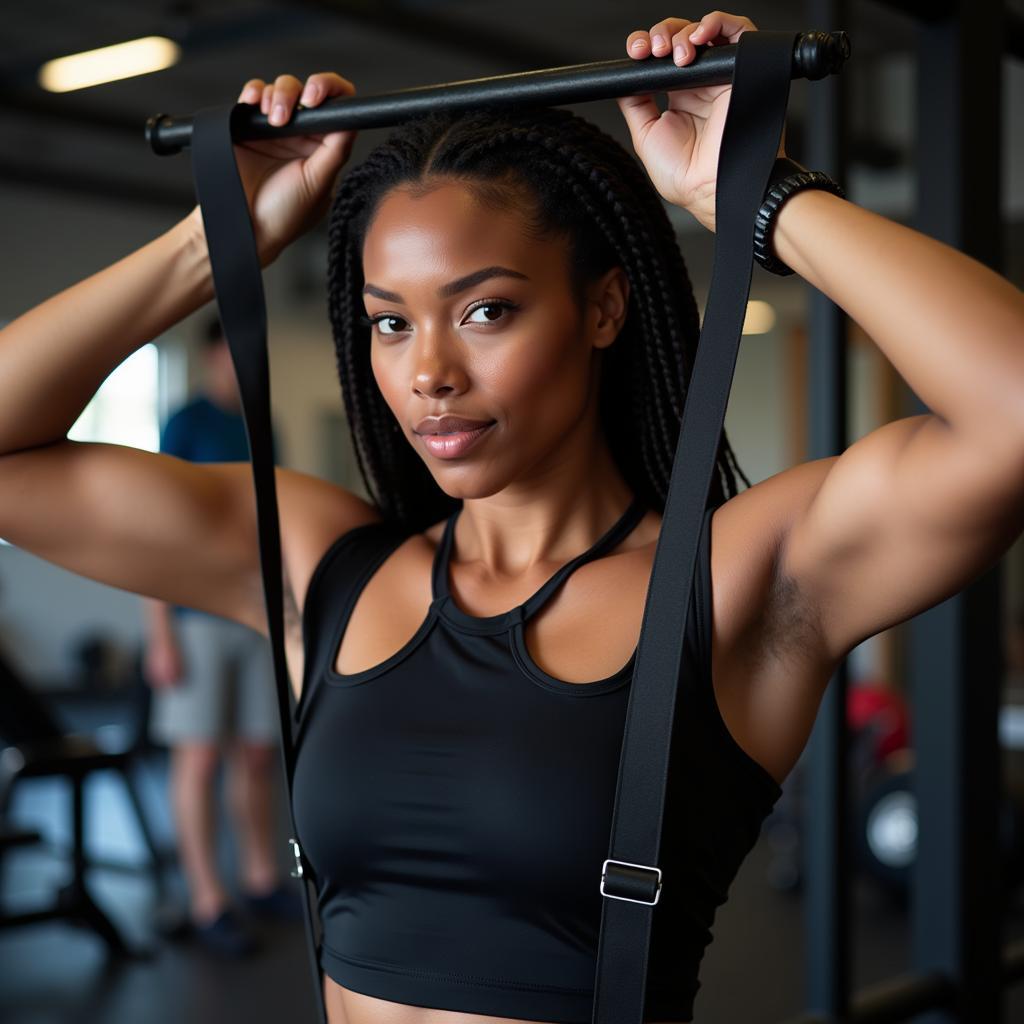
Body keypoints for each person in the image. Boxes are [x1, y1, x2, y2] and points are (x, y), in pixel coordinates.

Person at [0, 10, 1022, 1023]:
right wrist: (217, 237)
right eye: (390, 322)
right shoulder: (327, 567)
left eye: (485, 309)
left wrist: (753, 194)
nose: (428, 374)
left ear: (603, 308)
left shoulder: (736, 579)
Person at [142, 317, 298, 957]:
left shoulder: (264, 426)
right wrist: (159, 633)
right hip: (194, 619)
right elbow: (154, 533)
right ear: (210, 358)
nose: (240, 365)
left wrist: (286, 614)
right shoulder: (185, 424)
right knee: (200, 758)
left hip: (254, 614)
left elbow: (278, 521)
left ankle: (260, 878)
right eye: (230, 355)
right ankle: (209, 898)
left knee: (257, 755)